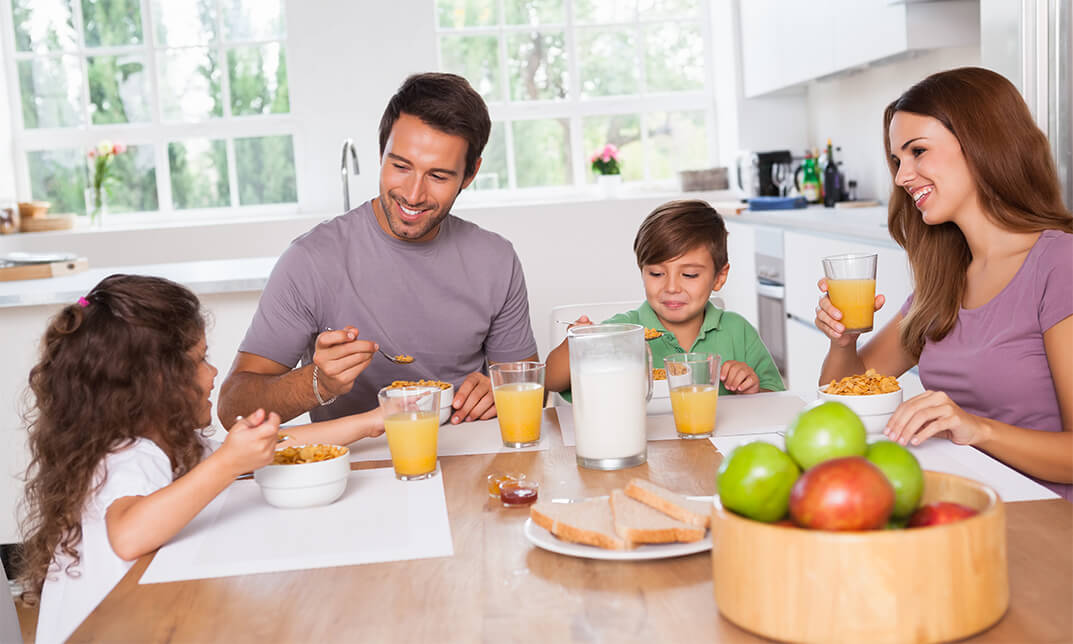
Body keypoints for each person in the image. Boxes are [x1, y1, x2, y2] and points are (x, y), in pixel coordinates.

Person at [18, 275, 387, 644]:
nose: (213, 375)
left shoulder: (174, 443)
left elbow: (276, 442)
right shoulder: (125, 453)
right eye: (200, 361)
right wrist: (228, 462)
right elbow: (129, 535)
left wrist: (370, 422)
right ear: (154, 382)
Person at [218, 72, 539, 427]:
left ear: (470, 174)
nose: (413, 195)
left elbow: (525, 388)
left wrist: (500, 390)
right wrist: (317, 384)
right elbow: (233, 408)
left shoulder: (496, 260)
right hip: (359, 467)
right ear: (381, 152)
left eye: (438, 176)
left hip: (468, 459)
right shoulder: (310, 261)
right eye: (400, 166)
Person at [814, 67, 1073, 499]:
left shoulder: (1059, 264)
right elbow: (846, 397)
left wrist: (975, 428)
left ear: (980, 142)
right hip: (958, 504)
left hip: (1043, 524)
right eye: (898, 160)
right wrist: (843, 340)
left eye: (918, 151)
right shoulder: (944, 279)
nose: (901, 176)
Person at [545, 199, 785, 396]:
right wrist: (577, 345)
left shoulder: (738, 333)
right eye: (657, 273)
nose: (671, 287)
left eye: (689, 274)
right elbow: (551, 381)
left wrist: (752, 390)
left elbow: (775, 400)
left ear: (719, 277)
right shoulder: (622, 335)